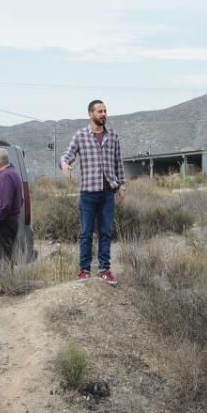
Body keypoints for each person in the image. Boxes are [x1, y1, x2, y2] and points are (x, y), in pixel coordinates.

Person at [60, 99, 127, 286]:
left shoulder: (112, 136)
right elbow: (68, 154)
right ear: (90, 114)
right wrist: (65, 164)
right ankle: (84, 271)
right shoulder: (81, 135)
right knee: (86, 233)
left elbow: (118, 162)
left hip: (108, 193)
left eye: (105, 111)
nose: (104, 114)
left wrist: (121, 186)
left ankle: (105, 270)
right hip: (88, 192)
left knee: (106, 232)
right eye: (100, 111)